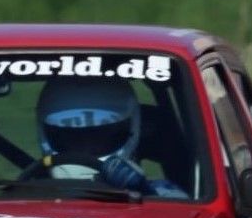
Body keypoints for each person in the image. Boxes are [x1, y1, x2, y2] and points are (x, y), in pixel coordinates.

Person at [35, 77, 188, 198]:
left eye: (97, 136)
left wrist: (145, 195)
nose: (86, 149)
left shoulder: (164, 194)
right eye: (73, 137)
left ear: (132, 129)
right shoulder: (27, 196)